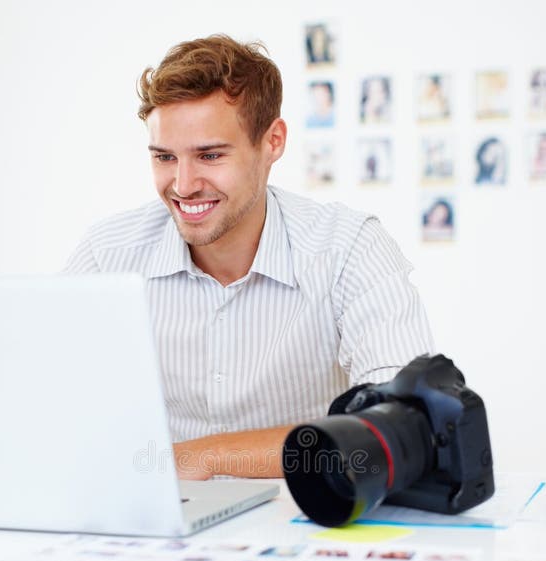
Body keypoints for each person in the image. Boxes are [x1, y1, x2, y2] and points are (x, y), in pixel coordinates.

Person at [65, 35, 434, 479]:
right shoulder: (109, 254)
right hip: (157, 524)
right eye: (164, 157)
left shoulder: (348, 248)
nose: (183, 185)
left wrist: (208, 456)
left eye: (210, 155)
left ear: (273, 142)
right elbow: (46, 401)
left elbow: (400, 427)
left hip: (307, 518)